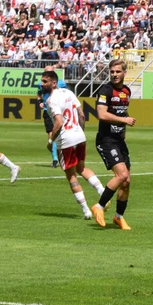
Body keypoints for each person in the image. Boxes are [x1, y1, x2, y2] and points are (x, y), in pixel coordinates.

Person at [41, 70, 105, 220]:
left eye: (45, 81)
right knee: (82, 167)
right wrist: (80, 132)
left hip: (66, 140)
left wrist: (51, 142)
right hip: (79, 136)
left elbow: (58, 122)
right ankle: (103, 192)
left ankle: (86, 211)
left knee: (71, 176)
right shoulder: (69, 93)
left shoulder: (51, 100)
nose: (42, 84)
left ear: (54, 83)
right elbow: (82, 115)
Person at [90, 59, 136, 230]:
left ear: (124, 72)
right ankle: (99, 206)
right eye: (112, 72)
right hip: (105, 140)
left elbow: (122, 111)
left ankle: (119, 217)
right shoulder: (106, 90)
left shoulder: (126, 91)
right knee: (121, 175)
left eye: (118, 71)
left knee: (126, 182)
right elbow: (102, 114)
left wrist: (123, 129)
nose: (115, 75)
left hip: (119, 141)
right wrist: (124, 120)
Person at [38, 64, 68, 168]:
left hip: (59, 111)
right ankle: (55, 158)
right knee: (51, 135)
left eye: (49, 72)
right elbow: (38, 93)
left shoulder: (61, 84)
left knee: (60, 134)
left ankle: (61, 156)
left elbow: (66, 94)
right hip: (47, 111)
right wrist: (40, 101)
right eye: (46, 72)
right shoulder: (41, 83)